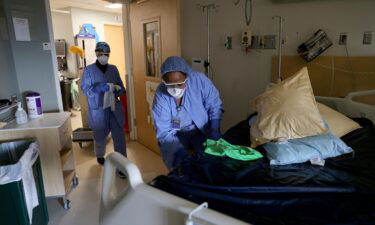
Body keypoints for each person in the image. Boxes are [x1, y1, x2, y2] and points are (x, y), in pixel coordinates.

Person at [152, 56, 223, 170]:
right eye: (170, 85)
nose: (175, 89)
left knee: (210, 161)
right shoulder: (161, 95)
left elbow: (214, 104)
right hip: (176, 134)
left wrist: (215, 127)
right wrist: (179, 154)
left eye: (179, 84)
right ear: (164, 81)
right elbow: (164, 131)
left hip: (202, 130)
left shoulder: (199, 81)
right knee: (180, 166)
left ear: (187, 77)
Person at [81, 42, 126, 178]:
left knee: (119, 137)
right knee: (100, 135)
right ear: (96, 53)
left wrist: (118, 90)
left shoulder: (113, 69)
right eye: (101, 54)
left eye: (106, 54)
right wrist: (97, 88)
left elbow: (122, 88)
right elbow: (85, 90)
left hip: (113, 107)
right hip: (98, 108)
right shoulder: (89, 70)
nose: (104, 56)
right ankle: (100, 155)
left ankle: (122, 166)